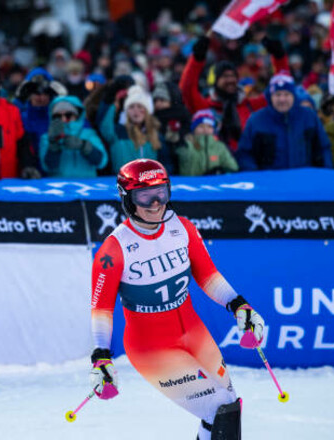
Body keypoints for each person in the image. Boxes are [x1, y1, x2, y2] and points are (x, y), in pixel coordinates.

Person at [90, 158, 265, 440]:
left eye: (161, 192)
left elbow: (208, 275)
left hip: (194, 333)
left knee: (227, 409)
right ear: (127, 199)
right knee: (219, 408)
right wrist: (100, 357)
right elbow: (101, 310)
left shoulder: (181, 227)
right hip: (152, 346)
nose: (155, 203)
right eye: (144, 196)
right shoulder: (114, 249)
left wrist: (239, 305)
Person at [179, 35, 288, 152]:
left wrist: (279, 57)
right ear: (215, 82)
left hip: (251, 164)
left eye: (233, 76)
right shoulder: (205, 108)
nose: (231, 80)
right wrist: (196, 59)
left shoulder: (250, 105)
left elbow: (280, 89)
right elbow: (187, 90)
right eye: (225, 76)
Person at [236, 72, 332, 170]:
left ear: (294, 96)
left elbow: (323, 148)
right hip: (269, 182)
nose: (282, 99)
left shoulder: (309, 117)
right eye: (277, 95)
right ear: (270, 97)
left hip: (303, 180)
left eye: (286, 94)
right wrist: (257, 177)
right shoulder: (256, 121)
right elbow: (244, 154)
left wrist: (325, 175)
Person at [99, 85, 174, 174]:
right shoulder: (117, 132)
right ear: (126, 112)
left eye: (140, 106)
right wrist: (111, 100)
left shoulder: (156, 135)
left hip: (148, 185)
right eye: (131, 107)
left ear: (146, 111)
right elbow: (103, 121)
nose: (136, 110)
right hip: (122, 183)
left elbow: (166, 165)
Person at [38, 96, 108, 178]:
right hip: (58, 186)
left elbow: (101, 162)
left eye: (68, 115)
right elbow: (47, 167)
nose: (63, 119)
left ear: (77, 116)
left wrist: (84, 145)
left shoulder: (89, 134)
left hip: (88, 186)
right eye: (57, 116)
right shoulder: (47, 138)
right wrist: (54, 145)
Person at [176, 109, 239, 176]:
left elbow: (233, 168)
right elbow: (187, 170)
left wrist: (221, 171)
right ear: (193, 129)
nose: (205, 130)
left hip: (215, 183)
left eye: (209, 127)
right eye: (201, 126)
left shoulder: (220, 146)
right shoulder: (186, 145)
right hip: (193, 184)